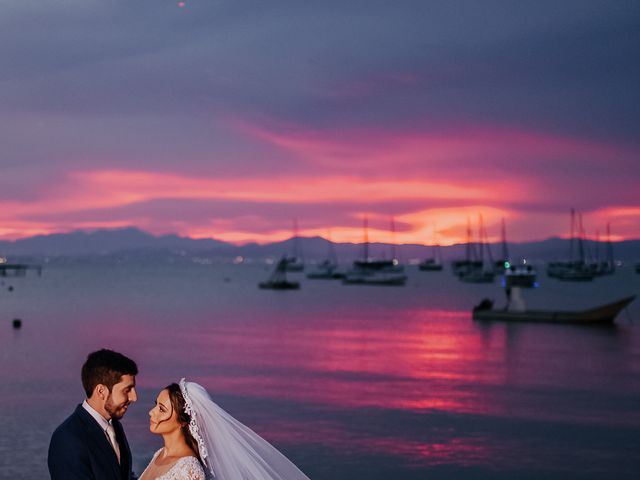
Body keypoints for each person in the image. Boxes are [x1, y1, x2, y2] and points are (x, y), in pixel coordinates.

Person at [140, 379, 311, 480]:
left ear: (183, 421)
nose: (151, 412)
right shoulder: (160, 454)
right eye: (156, 405)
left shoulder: (189, 470)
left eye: (162, 409)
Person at [48, 349, 138, 480]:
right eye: (127, 390)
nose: (134, 397)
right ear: (101, 391)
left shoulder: (115, 427)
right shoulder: (67, 438)